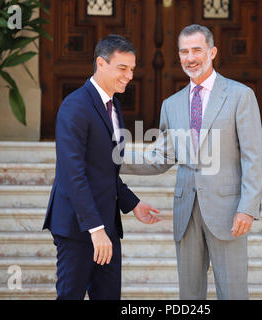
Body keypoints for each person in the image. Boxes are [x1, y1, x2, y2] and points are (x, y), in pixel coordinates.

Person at [121, 24, 262, 300]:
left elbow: (253, 156)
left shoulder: (240, 96)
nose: (190, 57)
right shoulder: (171, 105)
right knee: (189, 296)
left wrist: (247, 208)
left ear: (212, 52)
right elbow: (160, 157)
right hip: (186, 210)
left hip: (227, 210)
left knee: (232, 292)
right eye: (184, 51)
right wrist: (112, 160)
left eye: (196, 50)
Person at [43, 34, 161, 300]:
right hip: (77, 227)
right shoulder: (75, 106)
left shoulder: (114, 105)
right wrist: (95, 231)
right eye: (122, 68)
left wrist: (132, 203)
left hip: (106, 225)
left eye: (132, 69)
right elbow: (72, 174)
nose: (129, 76)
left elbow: (106, 168)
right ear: (101, 63)